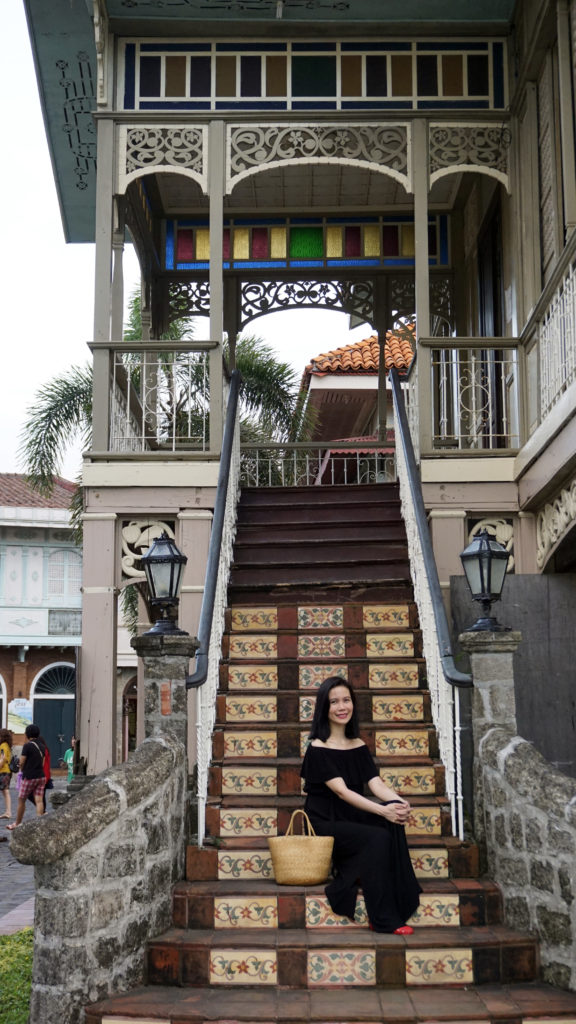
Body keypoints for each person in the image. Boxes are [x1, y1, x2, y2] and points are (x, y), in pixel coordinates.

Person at [300, 676, 421, 934]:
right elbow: (342, 792)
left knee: (393, 823)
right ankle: (382, 918)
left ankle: (401, 896)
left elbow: (375, 783)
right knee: (377, 835)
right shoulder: (318, 749)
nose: (342, 707)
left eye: (346, 700)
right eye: (334, 702)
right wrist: (381, 809)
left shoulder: (358, 745)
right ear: (324, 707)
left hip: (351, 817)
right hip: (325, 822)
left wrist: (398, 802)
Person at [6, 724, 46, 831]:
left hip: (29, 777)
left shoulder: (27, 746)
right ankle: (40, 823)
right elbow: (43, 763)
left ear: (27, 734)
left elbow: (22, 761)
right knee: (39, 801)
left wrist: (19, 767)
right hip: (41, 776)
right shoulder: (42, 746)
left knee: (21, 800)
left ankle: (17, 823)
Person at [0, 728, 14, 820]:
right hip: (7, 771)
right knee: (5, 791)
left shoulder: (3, 746)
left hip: (3, 771)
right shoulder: (7, 746)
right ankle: (8, 811)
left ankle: (8, 812)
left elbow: (3, 758)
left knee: (6, 791)